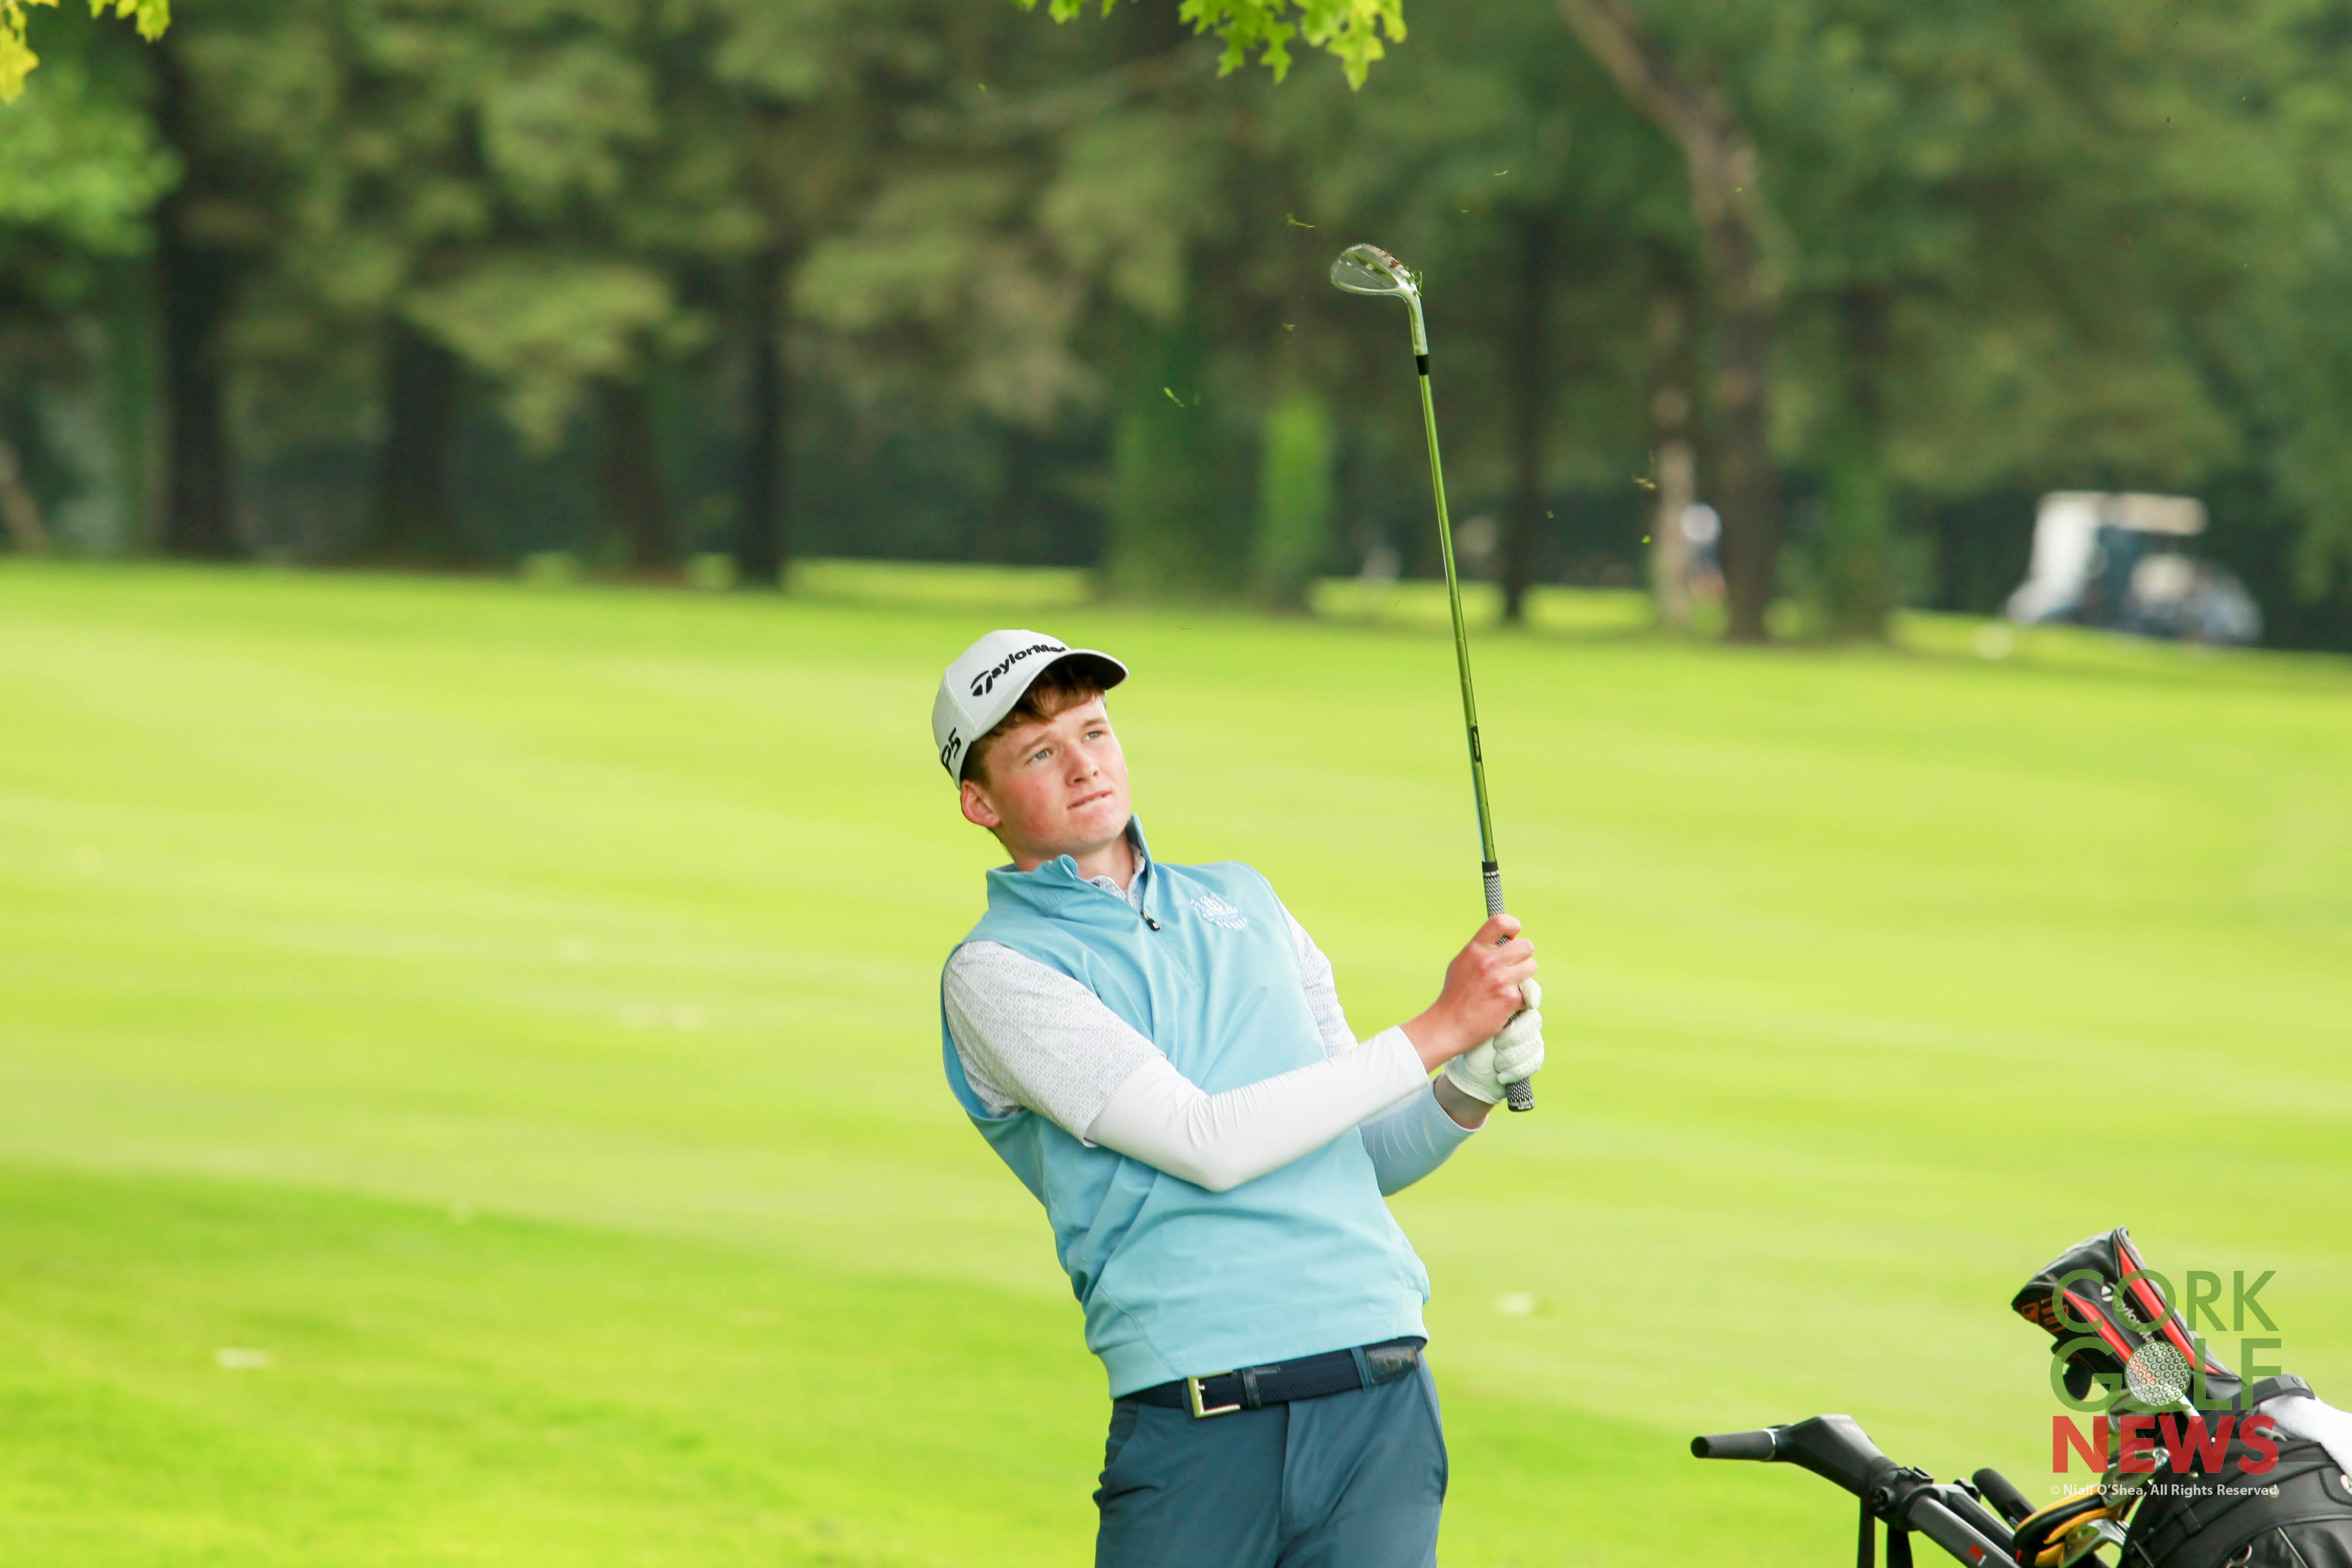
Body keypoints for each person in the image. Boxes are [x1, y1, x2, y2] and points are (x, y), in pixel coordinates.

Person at [932, 627, 1545, 1568]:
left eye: (1094, 732)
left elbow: (1364, 1154)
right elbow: (1205, 1142)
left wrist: (1468, 1083)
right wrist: (1439, 1030)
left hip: (1378, 1393)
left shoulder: (1248, 900)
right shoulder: (998, 971)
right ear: (981, 802)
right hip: (1200, 1420)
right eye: (1039, 753)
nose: (1084, 765)